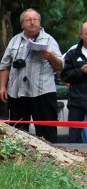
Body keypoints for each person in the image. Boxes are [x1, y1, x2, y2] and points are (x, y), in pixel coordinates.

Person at [0, 9, 63, 143]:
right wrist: (2, 87)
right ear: (22, 24)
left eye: (35, 20)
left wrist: (50, 57)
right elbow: (5, 65)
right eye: (28, 20)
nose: (32, 23)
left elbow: (60, 66)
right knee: (17, 133)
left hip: (42, 92)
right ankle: (19, 162)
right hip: (17, 92)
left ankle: (50, 161)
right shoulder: (15, 40)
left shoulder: (49, 40)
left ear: (40, 23)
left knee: (47, 133)